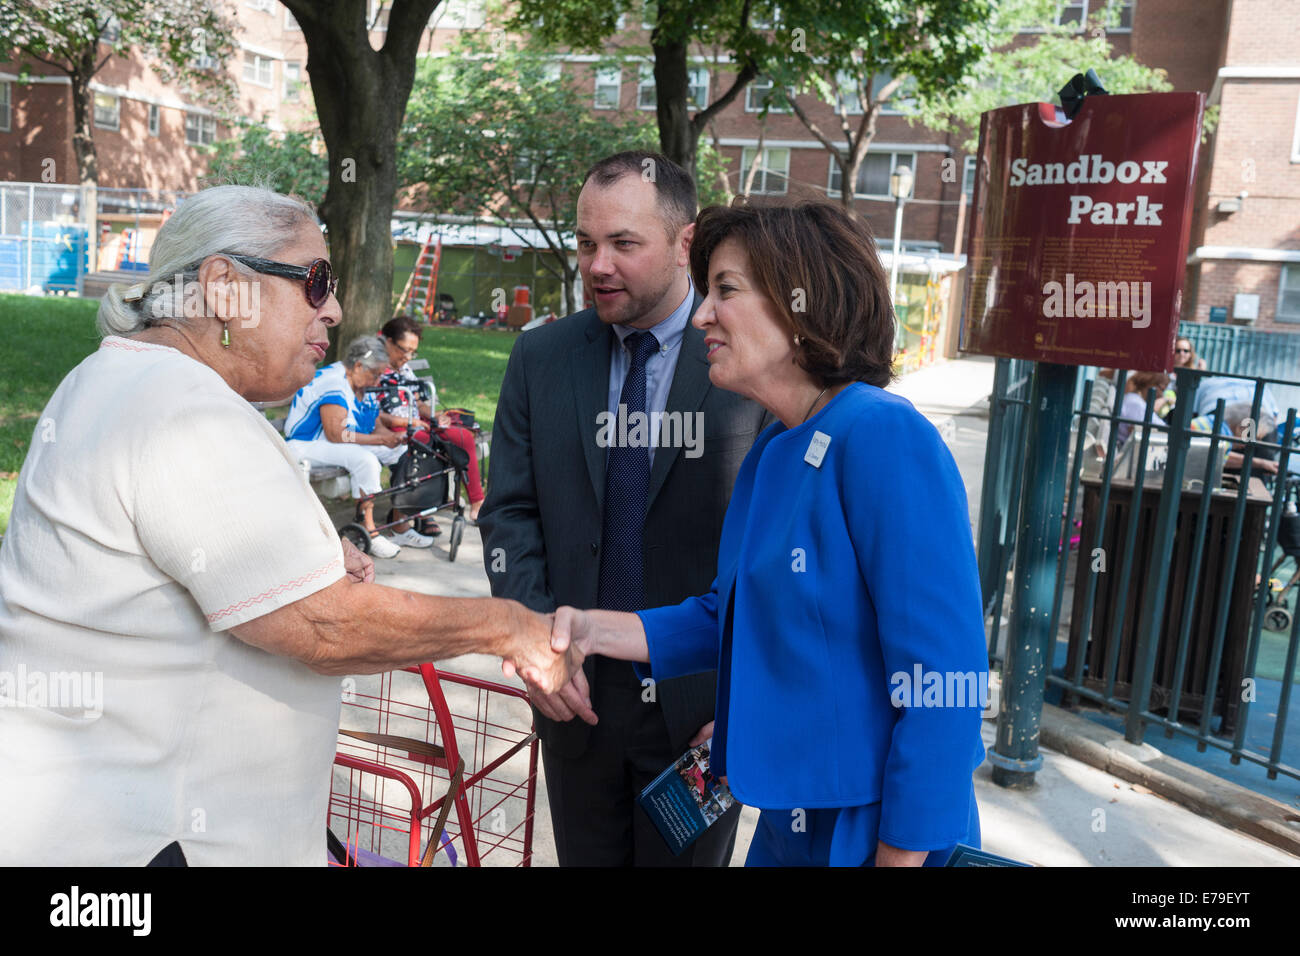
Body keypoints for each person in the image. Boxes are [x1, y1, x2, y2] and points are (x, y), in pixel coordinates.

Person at [0, 185, 569, 866]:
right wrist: (506, 623)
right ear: (223, 286)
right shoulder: (187, 412)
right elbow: (324, 624)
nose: (331, 307)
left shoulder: (110, 379)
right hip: (159, 841)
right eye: (316, 280)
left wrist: (311, 558)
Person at [529, 198, 988, 867]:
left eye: (726, 290)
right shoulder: (776, 447)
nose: (704, 313)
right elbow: (728, 614)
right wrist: (587, 630)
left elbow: (945, 684)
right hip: (786, 826)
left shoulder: (885, 436)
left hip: (878, 837)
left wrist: (899, 857)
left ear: (801, 307)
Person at [479, 152, 771, 866]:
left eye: (622, 244)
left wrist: (744, 697)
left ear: (685, 244)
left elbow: (773, 551)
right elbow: (509, 515)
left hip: (701, 712)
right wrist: (534, 643)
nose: (597, 265)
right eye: (585, 244)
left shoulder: (749, 361)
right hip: (573, 698)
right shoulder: (541, 357)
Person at [284, 335, 432, 557]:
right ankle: (369, 530)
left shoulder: (362, 382)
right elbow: (337, 435)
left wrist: (390, 437)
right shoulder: (333, 382)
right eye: (375, 375)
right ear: (359, 366)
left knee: (403, 450)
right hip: (307, 443)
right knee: (365, 460)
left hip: (335, 442)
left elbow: (373, 422)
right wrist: (381, 440)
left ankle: (401, 521)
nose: (377, 381)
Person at [376, 315, 486, 521]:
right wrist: (412, 423)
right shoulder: (373, 369)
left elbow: (418, 403)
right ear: (388, 341)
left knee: (461, 437)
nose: (409, 357)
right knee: (428, 445)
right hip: (391, 429)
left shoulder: (403, 368)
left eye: (413, 351)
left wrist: (435, 416)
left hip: (417, 424)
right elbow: (375, 415)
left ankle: (477, 502)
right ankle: (422, 511)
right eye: (404, 349)